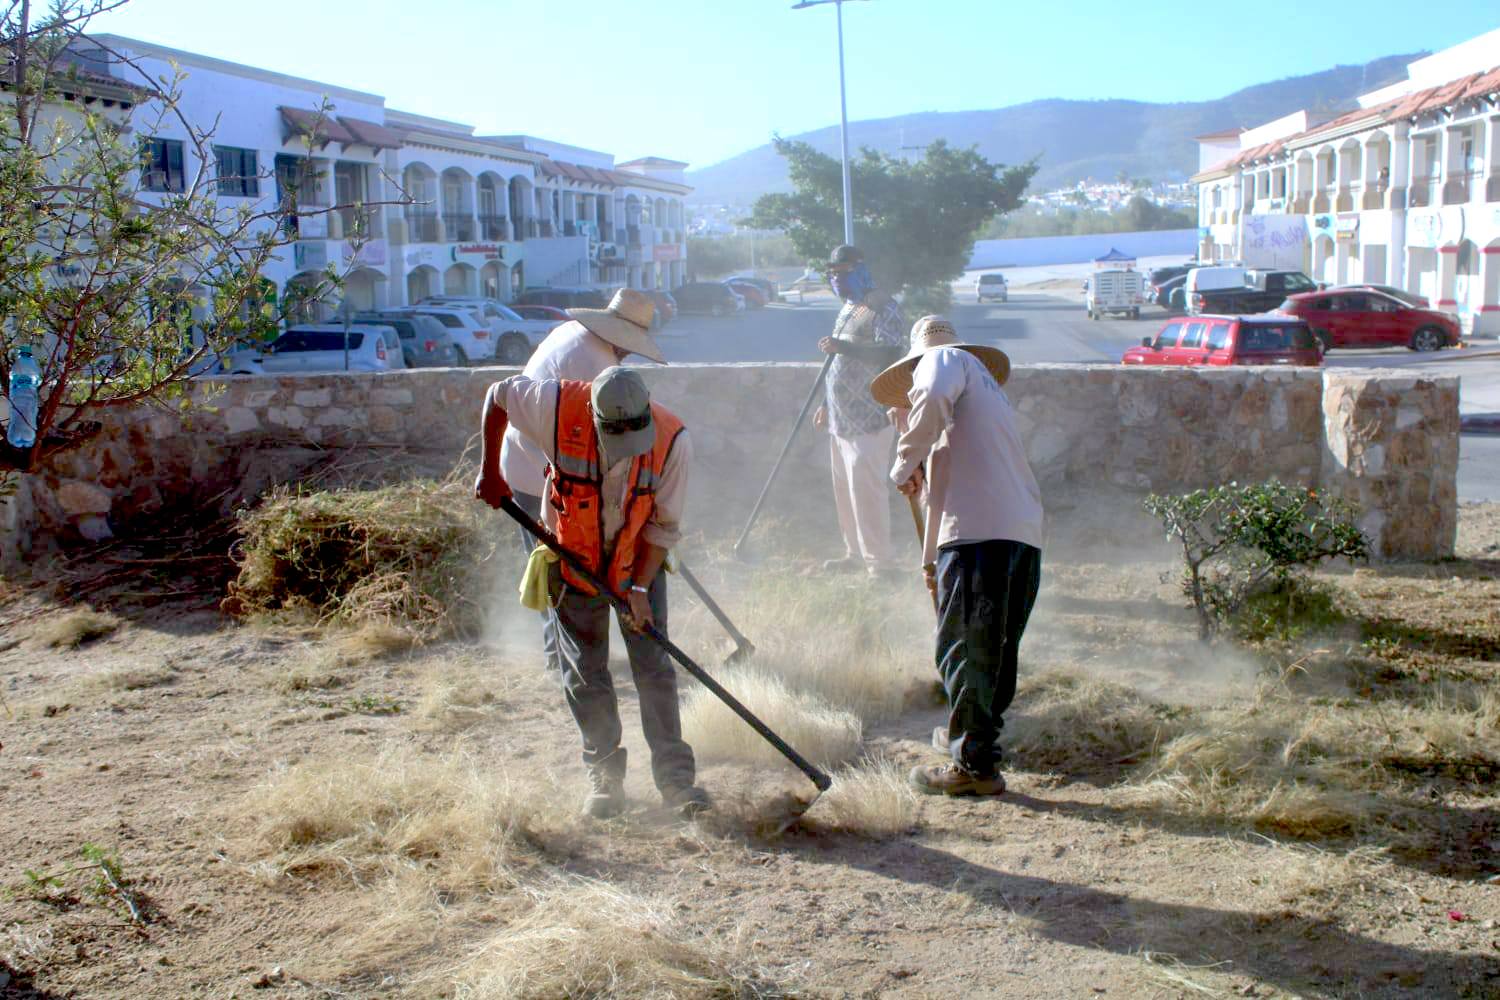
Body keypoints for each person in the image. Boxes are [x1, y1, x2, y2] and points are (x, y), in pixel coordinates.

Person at [475, 365, 710, 820]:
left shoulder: (674, 441)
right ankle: (605, 778)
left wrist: (639, 587)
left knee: (653, 668)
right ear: (595, 417)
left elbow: (664, 528)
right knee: (586, 671)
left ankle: (676, 781)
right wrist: (490, 471)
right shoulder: (556, 407)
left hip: (638, 559)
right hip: (573, 559)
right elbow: (498, 396)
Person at [870, 316, 1044, 797]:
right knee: (994, 652)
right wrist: (932, 560)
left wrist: (903, 460)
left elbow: (931, 398)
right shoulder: (987, 394)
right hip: (1019, 532)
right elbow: (946, 487)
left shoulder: (944, 360)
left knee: (965, 650)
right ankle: (976, 745)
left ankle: (972, 764)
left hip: (978, 537)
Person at [499, 289, 667, 674]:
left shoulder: (573, 333)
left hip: (532, 461)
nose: (629, 354)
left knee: (554, 563)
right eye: (629, 346)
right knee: (559, 568)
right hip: (537, 469)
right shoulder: (596, 365)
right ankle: (564, 662)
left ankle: (563, 657)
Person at [813, 245, 906, 576]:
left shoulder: (883, 307)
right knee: (845, 490)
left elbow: (892, 353)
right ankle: (855, 555)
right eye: (833, 272)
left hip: (870, 416)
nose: (837, 278)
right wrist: (826, 404)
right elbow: (837, 363)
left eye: (844, 271)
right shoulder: (849, 308)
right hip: (841, 418)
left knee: (867, 491)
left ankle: (880, 564)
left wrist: (845, 348)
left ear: (862, 269)